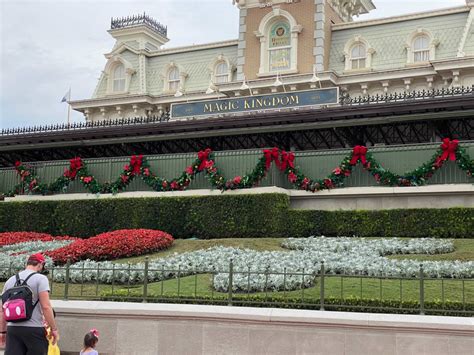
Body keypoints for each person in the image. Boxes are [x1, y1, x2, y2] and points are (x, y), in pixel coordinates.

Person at [1, 253, 59, 355]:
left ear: (27, 263)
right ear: (40, 264)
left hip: (13, 330)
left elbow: (2, 310)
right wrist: (54, 329)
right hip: (34, 329)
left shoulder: (10, 281)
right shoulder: (41, 279)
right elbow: (46, 306)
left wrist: (2, 332)